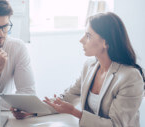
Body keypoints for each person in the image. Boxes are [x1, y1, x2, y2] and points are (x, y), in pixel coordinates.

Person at [12, 12, 145, 127]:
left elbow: (116, 124)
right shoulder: (90, 66)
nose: (81, 40)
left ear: (105, 43)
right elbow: (66, 98)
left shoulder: (130, 77)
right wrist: (32, 110)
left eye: (88, 35)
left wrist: (75, 113)